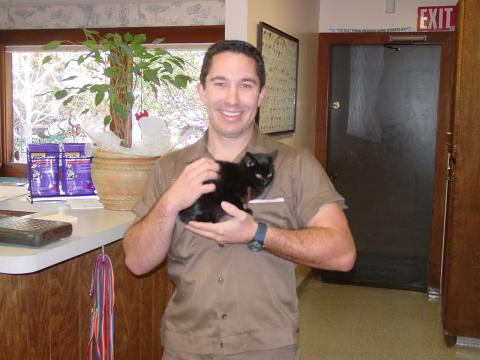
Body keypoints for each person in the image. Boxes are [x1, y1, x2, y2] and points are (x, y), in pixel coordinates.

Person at [123, 40, 356, 360]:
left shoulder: (295, 165)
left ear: (261, 95)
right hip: (186, 347)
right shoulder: (169, 169)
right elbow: (136, 261)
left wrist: (258, 233)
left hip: (266, 348)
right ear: (202, 91)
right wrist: (170, 201)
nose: (232, 99)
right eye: (220, 84)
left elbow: (342, 253)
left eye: (245, 85)